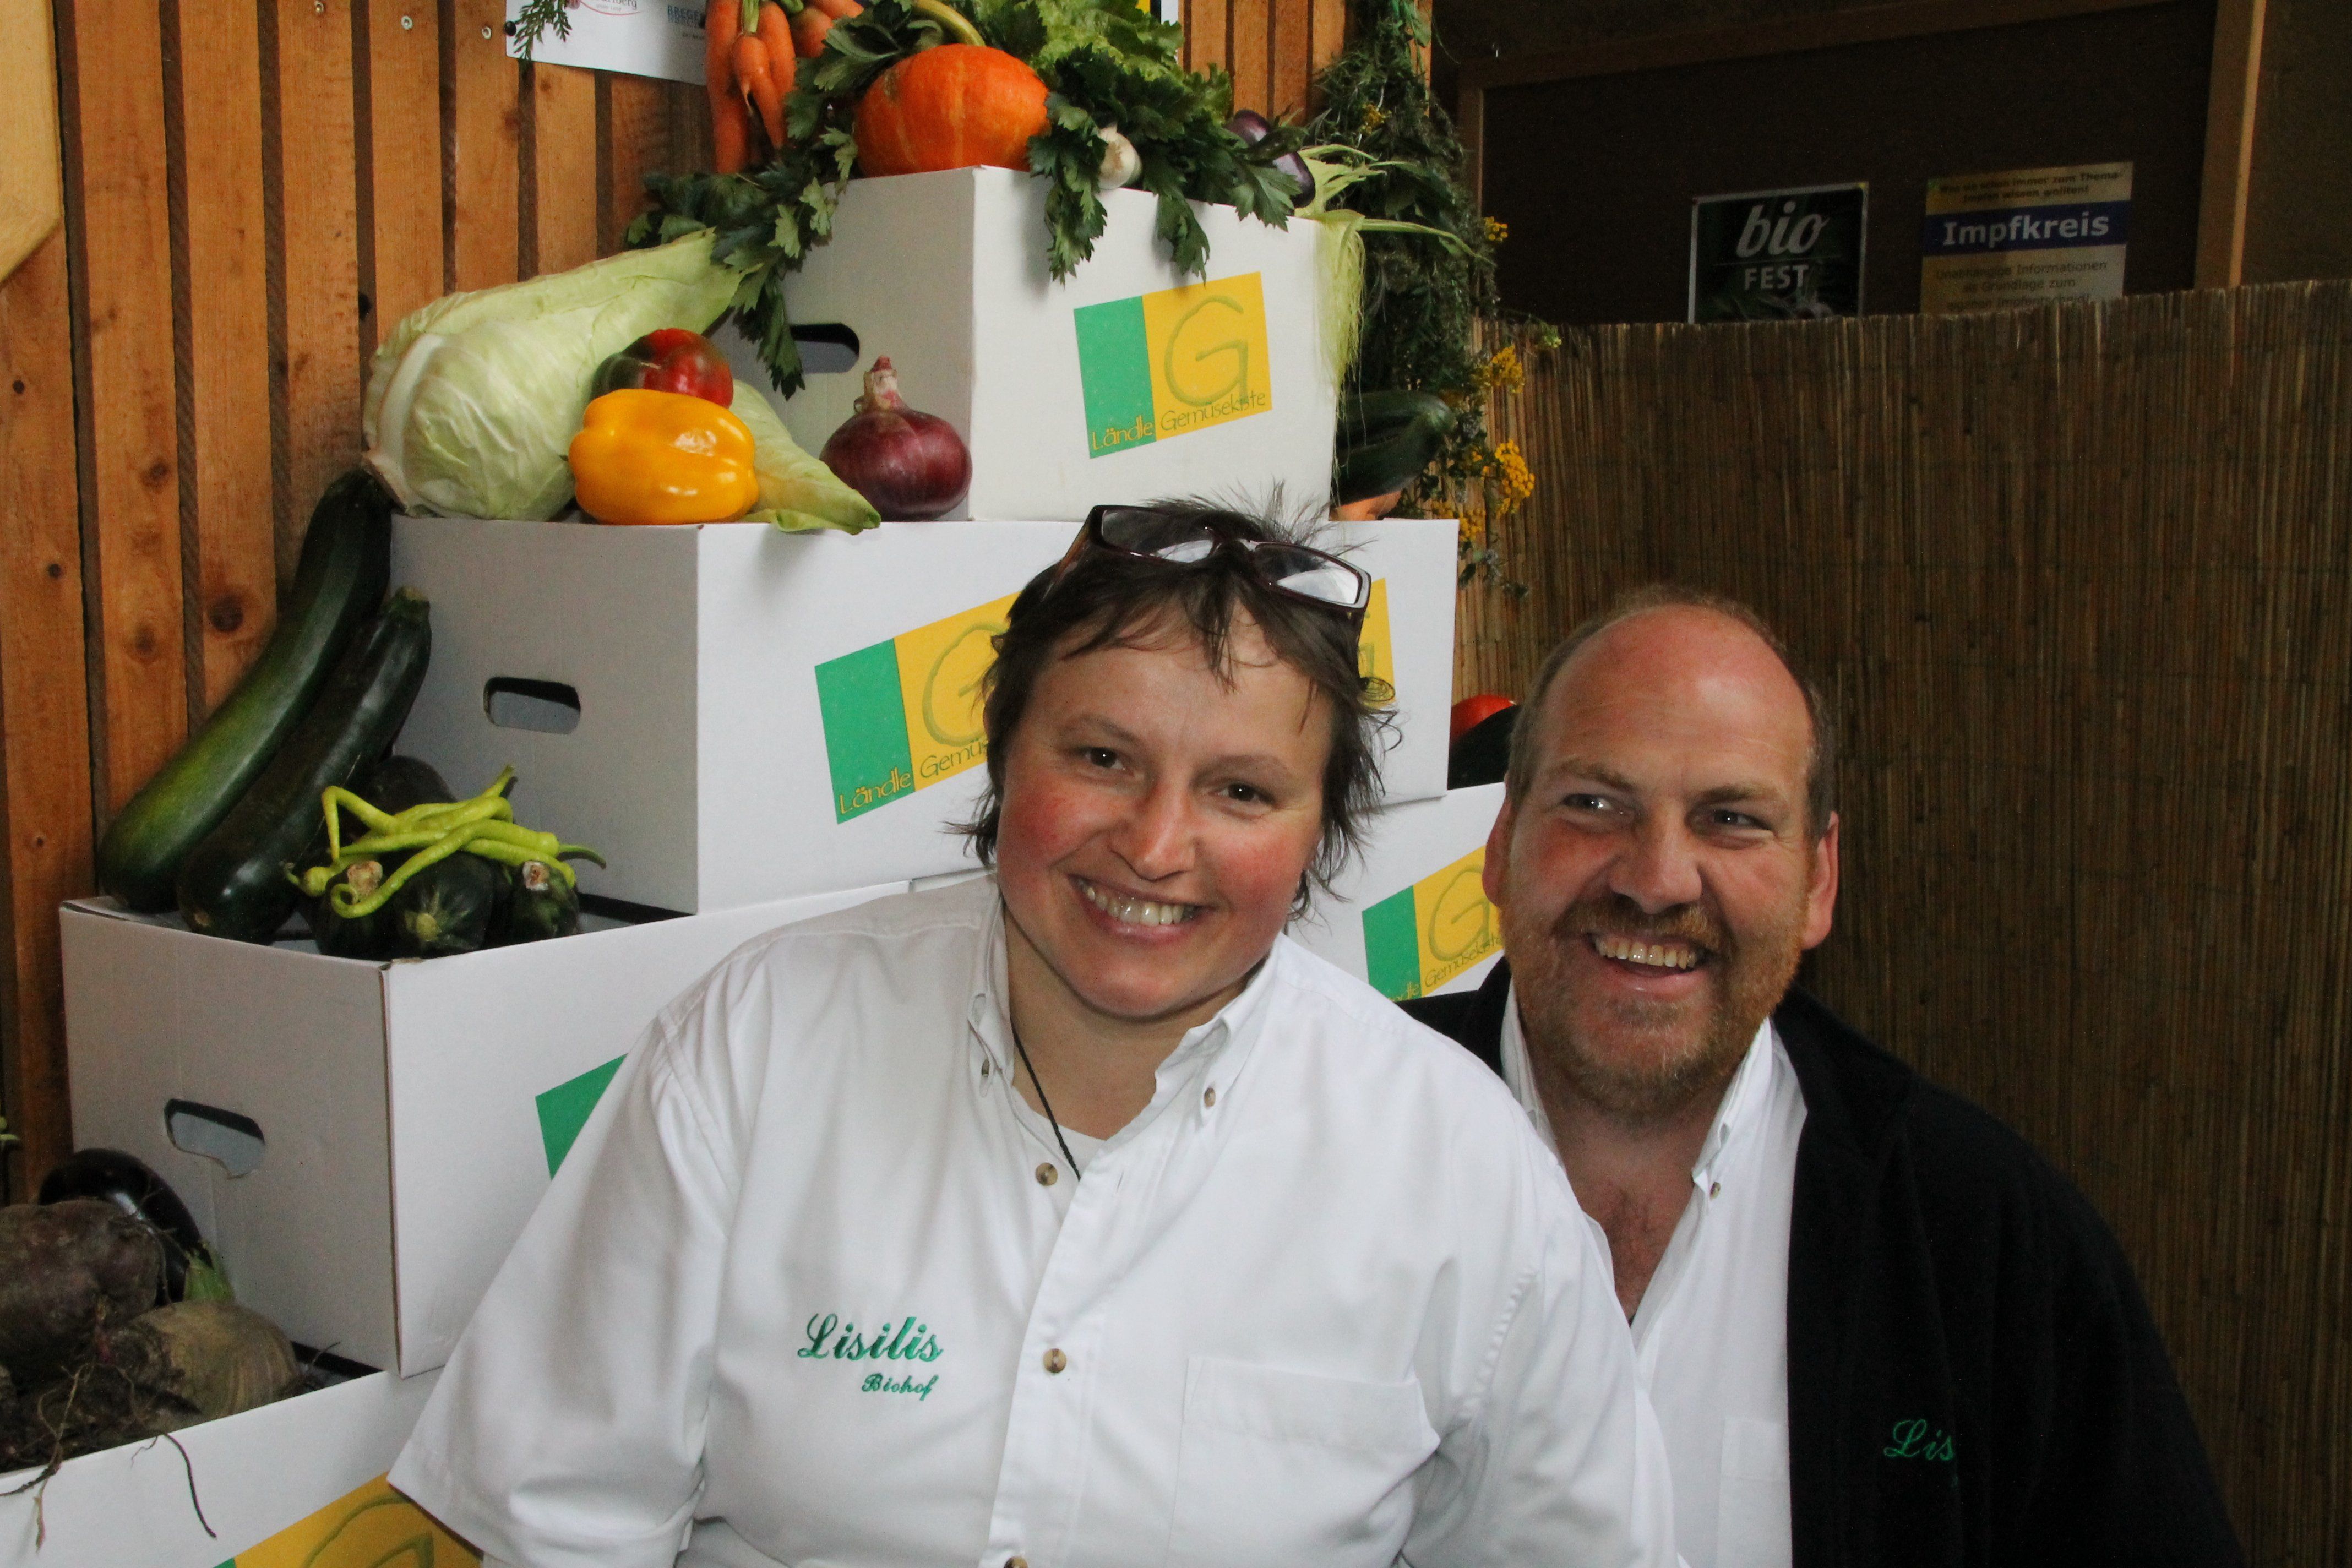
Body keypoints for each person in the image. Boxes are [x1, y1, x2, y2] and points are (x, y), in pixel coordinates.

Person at [391, 503, 1677, 1568]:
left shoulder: (1460, 1168)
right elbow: (561, 1521)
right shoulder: (760, 1042)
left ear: (1320, 832)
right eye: (1104, 757)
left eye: (1241, 790)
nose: (1157, 846)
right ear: (1005, 756)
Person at [1406, 586, 2242, 1568]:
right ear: (1501, 842)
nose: (1656, 878)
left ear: (1819, 879)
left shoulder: (1983, 1237)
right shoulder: (1323, 1147)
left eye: (1731, 819)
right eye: (1594, 804)